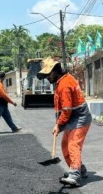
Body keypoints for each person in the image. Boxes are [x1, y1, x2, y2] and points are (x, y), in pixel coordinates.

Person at [37, 57, 91, 186]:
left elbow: (66, 110)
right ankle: (79, 169)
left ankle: (75, 174)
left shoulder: (64, 84)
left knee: (73, 145)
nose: (47, 78)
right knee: (65, 145)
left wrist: (59, 124)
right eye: (45, 75)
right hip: (73, 117)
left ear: (55, 71)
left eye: (48, 74)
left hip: (80, 118)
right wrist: (60, 125)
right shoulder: (62, 81)